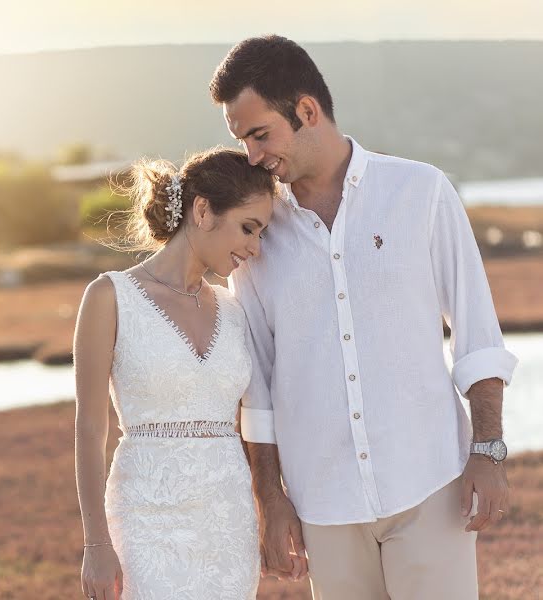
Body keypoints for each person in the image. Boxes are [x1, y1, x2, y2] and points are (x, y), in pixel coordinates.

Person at [210, 35, 519, 599]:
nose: (253, 156)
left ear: (307, 110)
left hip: (430, 483)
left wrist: (488, 450)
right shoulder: (258, 233)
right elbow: (258, 384)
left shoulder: (419, 191)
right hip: (323, 505)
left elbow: (477, 334)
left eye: (260, 134)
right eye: (242, 140)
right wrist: (270, 498)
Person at [74, 147, 285, 599]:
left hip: (228, 524)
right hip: (146, 520)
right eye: (248, 228)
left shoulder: (235, 309)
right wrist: (95, 542)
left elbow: (255, 420)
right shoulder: (110, 297)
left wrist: (272, 508)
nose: (255, 247)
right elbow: (90, 428)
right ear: (203, 210)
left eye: (262, 233)